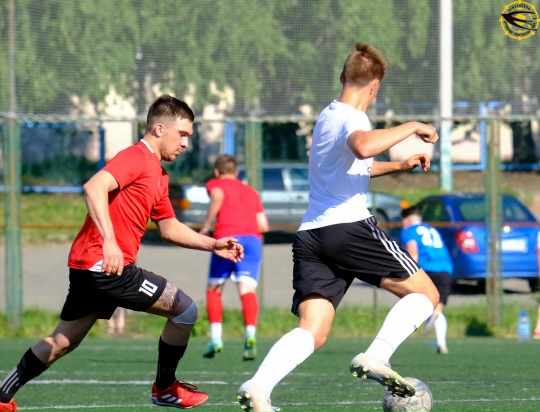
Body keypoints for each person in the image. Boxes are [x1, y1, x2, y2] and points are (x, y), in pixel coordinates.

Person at [0, 94, 244, 412]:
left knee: (62, 341)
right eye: (182, 134)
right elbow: (94, 187)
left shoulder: (159, 175)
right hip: (107, 265)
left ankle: (1, 396)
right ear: (159, 129)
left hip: (91, 265)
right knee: (185, 311)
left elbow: (169, 227)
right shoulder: (136, 157)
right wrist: (110, 241)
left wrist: (212, 244)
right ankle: (165, 388)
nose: (186, 143)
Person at [236, 42, 440, 412]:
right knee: (426, 294)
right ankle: (377, 355)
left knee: (312, 330)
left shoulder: (327, 116)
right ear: (375, 86)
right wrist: (413, 126)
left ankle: (259, 388)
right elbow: (363, 147)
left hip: (312, 236)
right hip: (348, 228)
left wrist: (399, 166)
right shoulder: (354, 118)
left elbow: (353, 165)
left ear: (342, 76)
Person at [199, 154, 269, 360]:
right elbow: (264, 225)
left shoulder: (216, 184)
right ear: (236, 172)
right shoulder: (251, 191)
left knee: (214, 288)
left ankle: (215, 338)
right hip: (252, 241)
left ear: (217, 171)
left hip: (227, 238)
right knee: (247, 290)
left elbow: (218, 195)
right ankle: (250, 334)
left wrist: (206, 225)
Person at [400, 205, 453, 354]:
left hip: (427, 270)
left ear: (408, 219)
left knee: (421, 303)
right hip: (445, 268)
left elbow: (413, 251)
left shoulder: (409, 231)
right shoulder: (432, 229)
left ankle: (425, 319)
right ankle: (441, 343)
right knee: (439, 308)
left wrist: (408, 274)